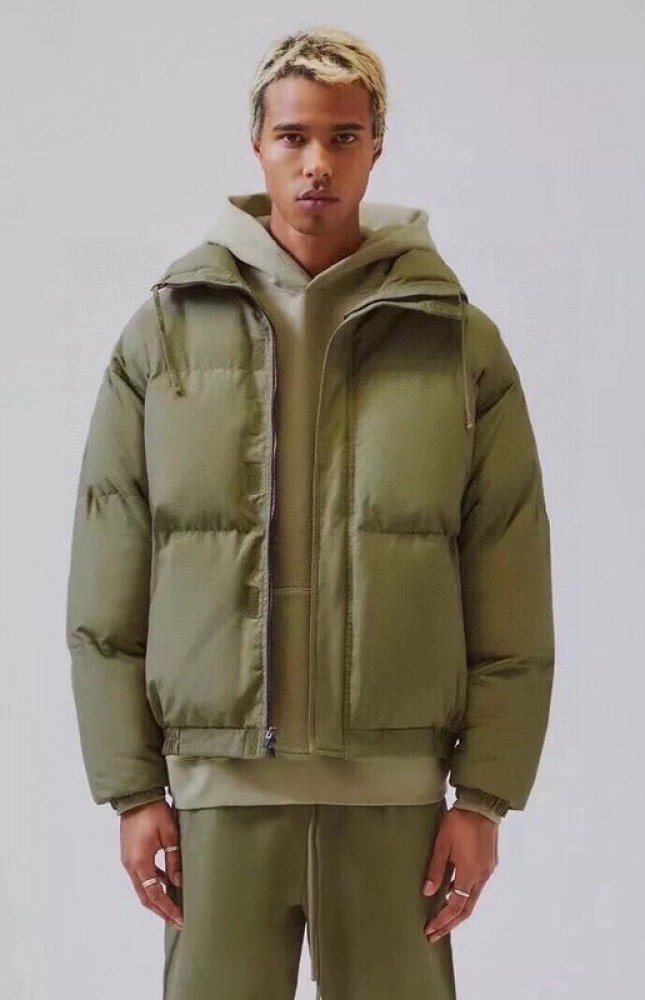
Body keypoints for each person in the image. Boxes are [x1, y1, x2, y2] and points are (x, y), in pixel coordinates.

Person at [65, 25, 555, 1000]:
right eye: (293, 136)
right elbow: (107, 577)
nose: (317, 162)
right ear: (258, 144)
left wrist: (485, 796)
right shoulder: (164, 334)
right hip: (216, 801)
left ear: (376, 147)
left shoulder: (457, 342)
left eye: (343, 136)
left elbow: (509, 581)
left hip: (396, 803)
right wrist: (131, 788)